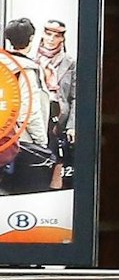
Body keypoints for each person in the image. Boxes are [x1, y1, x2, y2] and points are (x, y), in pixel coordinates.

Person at [0, 18, 55, 193]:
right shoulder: (25, 69)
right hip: (19, 143)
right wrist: (41, 142)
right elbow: (29, 111)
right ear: (31, 39)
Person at [37, 19, 72, 182]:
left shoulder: (69, 63)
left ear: (62, 38)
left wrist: (72, 126)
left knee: (59, 160)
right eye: (48, 34)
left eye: (56, 36)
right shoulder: (32, 60)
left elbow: (74, 96)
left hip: (59, 119)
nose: (51, 39)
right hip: (37, 116)